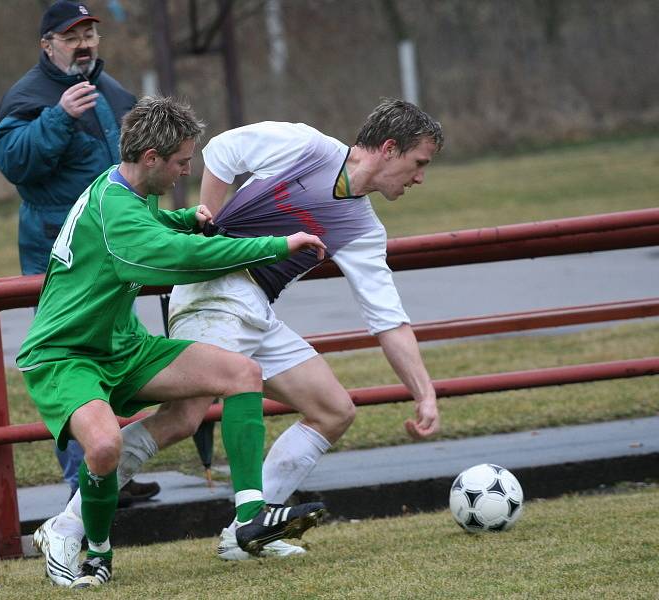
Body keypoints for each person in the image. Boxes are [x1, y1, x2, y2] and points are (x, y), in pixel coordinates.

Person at [46, 98, 444, 567]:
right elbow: (222, 152)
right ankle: (67, 526)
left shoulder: (363, 228)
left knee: (333, 410)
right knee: (183, 417)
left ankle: (244, 534)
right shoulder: (307, 147)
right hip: (212, 294)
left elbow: (387, 319)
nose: (420, 177)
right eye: (419, 163)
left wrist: (425, 393)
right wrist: (208, 227)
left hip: (256, 308)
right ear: (390, 148)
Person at [21, 95, 328, 588]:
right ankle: (87, 547)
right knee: (103, 448)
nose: (187, 172)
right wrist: (277, 245)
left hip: (123, 347)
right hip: (65, 355)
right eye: (183, 162)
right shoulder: (118, 209)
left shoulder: (126, 190)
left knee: (240, 373)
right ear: (151, 159)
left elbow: (152, 229)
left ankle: (250, 514)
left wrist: (182, 218)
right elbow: (185, 258)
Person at [0, 0, 158, 505]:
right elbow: (14, 163)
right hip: (57, 257)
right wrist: (58, 119)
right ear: (48, 45)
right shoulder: (28, 96)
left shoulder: (114, 92)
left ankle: (109, 474)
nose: (83, 43)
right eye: (71, 36)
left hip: (112, 256)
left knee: (113, 357)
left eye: (90, 34)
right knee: (69, 369)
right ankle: (79, 485)